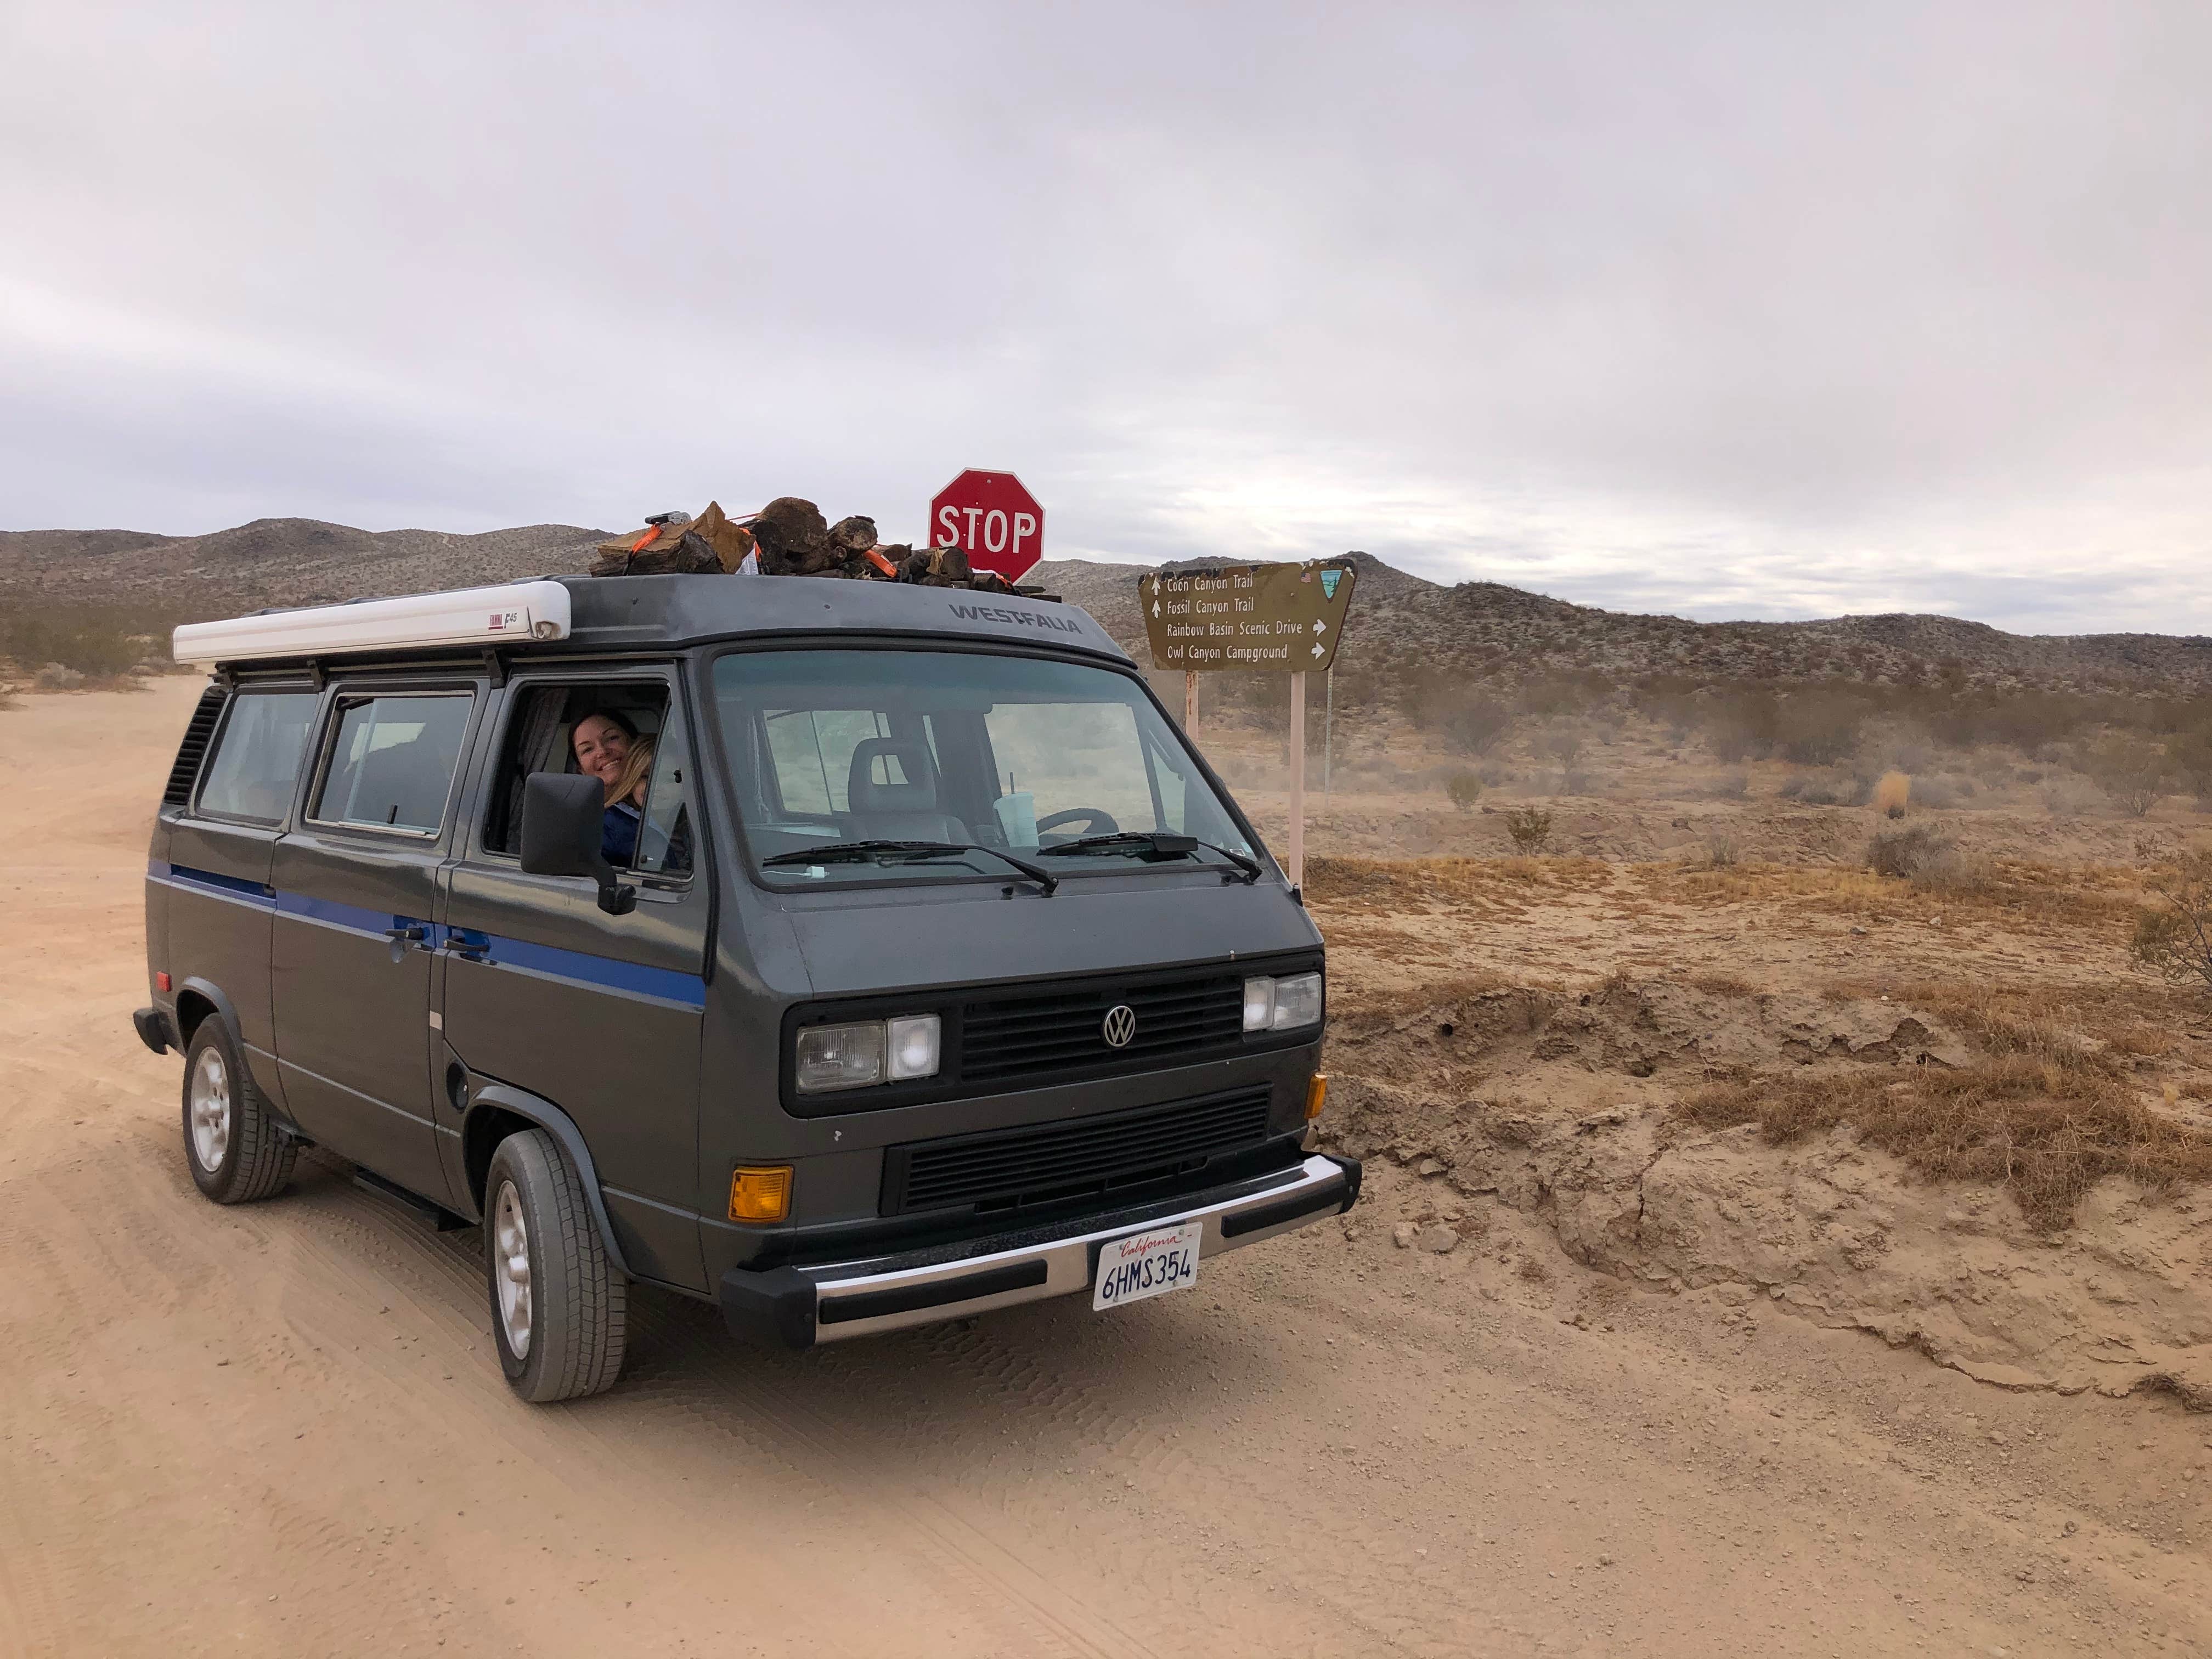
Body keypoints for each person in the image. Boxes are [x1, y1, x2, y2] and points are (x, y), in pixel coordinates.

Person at [571, 710, 656, 865]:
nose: (602, 751)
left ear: (634, 742)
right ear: (581, 770)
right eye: (588, 749)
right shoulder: (598, 829)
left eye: (612, 738)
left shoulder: (666, 799)